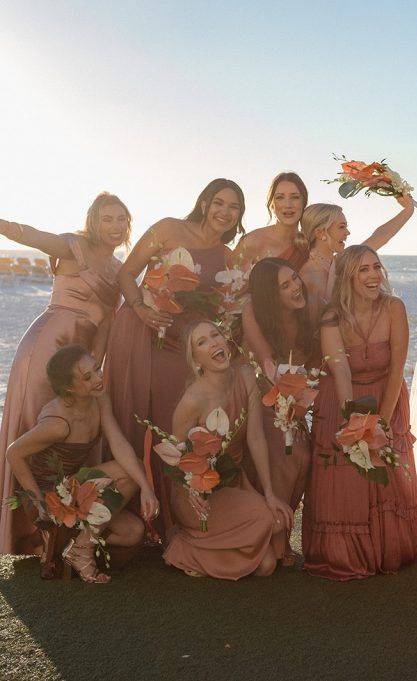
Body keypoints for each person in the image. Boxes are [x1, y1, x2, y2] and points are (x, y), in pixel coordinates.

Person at [104, 178, 244, 538]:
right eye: (220, 203)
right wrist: (140, 309)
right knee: (129, 413)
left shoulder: (227, 258)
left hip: (179, 346)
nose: (225, 212)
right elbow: (125, 274)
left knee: (170, 425)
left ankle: (168, 519)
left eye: (234, 207)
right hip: (139, 329)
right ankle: (119, 510)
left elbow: (219, 310)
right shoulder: (168, 229)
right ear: (204, 202)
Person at [0, 193, 131, 555]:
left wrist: (97, 368)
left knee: (76, 428)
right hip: (47, 346)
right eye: (107, 219)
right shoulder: (74, 246)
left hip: (83, 359)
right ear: (93, 221)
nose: (115, 226)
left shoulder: (121, 271)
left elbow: (107, 325)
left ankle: (68, 522)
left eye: (121, 219)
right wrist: (5, 225)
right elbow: (33, 236)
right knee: (37, 426)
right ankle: (29, 530)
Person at [303, 245, 417, 580]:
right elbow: (340, 371)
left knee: (386, 468)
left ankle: (389, 549)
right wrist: (353, 422)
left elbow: (398, 366)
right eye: (363, 270)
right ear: (347, 277)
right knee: (347, 476)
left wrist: (381, 422)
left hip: (387, 393)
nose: (373, 276)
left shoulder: (394, 307)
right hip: (343, 398)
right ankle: (348, 553)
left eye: (376, 268)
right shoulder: (331, 317)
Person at [3, 345, 158, 582]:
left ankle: (65, 545)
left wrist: (146, 486)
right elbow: (14, 453)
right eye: (88, 377)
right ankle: (77, 549)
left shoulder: (99, 398)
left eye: (97, 369)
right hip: (50, 497)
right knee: (127, 472)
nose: (98, 379)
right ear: (69, 388)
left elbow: (118, 443)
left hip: (75, 489)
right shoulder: (58, 423)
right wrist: (38, 502)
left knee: (132, 532)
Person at [161, 321, 292, 579]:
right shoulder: (192, 401)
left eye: (215, 335)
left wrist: (268, 494)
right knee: (269, 523)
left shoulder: (245, 377)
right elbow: (174, 458)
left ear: (225, 340)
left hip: (233, 483)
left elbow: (255, 438)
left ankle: (195, 544)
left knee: (266, 565)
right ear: (196, 360)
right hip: (196, 497)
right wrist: (191, 490)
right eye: (202, 342)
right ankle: (183, 546)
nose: (213, 343)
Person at [240, 258, 315, 561]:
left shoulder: (308, 311)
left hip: (296, 396)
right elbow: (267, 362)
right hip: (263, 396)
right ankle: (273, 540)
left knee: (303, 458)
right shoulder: (254, 312)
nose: (296, 286)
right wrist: (290, 397)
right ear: (271, 294)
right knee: (289, 458)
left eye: (295, 278)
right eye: (285, 285)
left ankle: (280, 535)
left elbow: (316, 361)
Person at [296, 197, 416, 324]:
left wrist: (408, 210)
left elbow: (380, 236)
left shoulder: (341, 261)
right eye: (341, 227)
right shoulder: (307, 276)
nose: (347, 232)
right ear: (320, 233)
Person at [233, 172, 311, 271]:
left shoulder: (308, 245)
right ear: (272, 204)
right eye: (280, 197)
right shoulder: (252, 241)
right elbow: (227, 281)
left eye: (294, 197)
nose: (288, 205)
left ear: (304, 202)